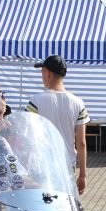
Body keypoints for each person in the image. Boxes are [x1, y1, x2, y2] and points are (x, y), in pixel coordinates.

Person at [26, 55, 89, 195]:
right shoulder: (78, 103)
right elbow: (81, 143)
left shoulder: (36, 101)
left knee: (43, 202)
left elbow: (27, 135)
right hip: (67, 166)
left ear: (47, 73)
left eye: (42, 71)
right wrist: (83, 175)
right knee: (65, 202)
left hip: (42, 165)